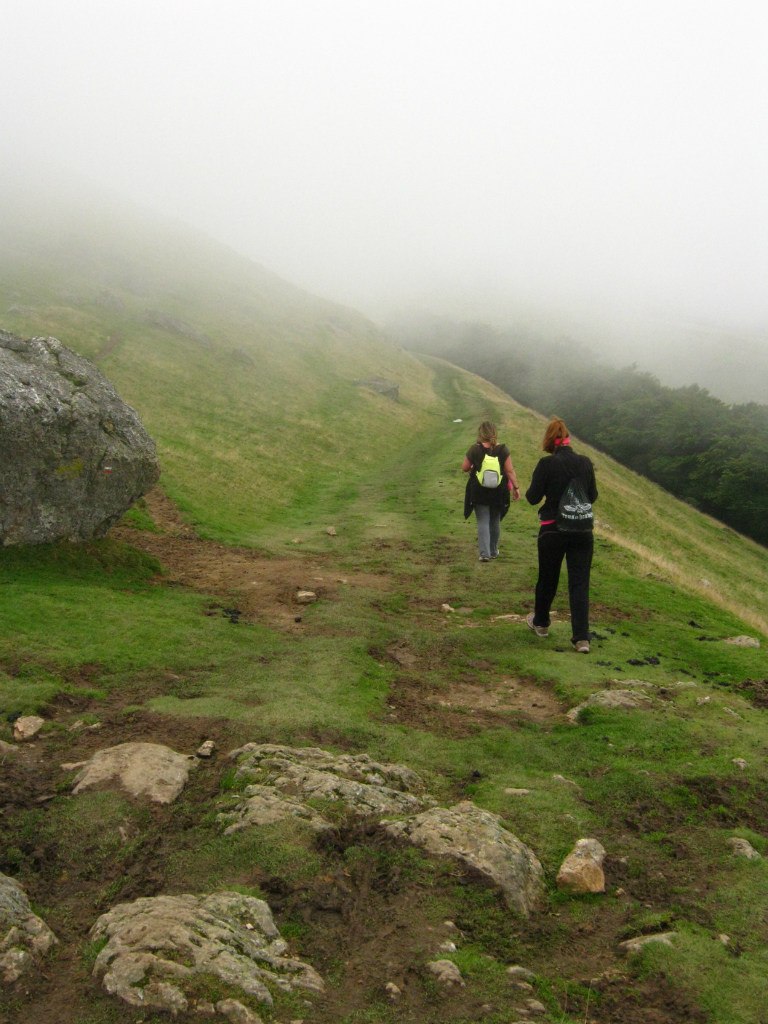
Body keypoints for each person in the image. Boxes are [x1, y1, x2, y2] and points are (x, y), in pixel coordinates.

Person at [525, 418, 598, 652]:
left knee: (548, 577)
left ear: (549, 440)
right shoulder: (585, 463)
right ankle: (581, 638)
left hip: (552, 530)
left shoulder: (547, 464)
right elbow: (592, 495)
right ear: (568, 439)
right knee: (579, 582)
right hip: (582, 530)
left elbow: (532, 497)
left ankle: (541, 623)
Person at [462, 421, 521, 561]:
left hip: (479, 491)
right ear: (495, 433)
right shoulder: (503, 450)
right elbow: (510, 471)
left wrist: (473, 468)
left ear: (481, 433)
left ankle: (484, 554)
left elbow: (464, 467)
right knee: (495, 521)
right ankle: (494, 551)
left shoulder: (474, 449)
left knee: (483, 521)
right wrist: (516, 488)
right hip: (498, 492)